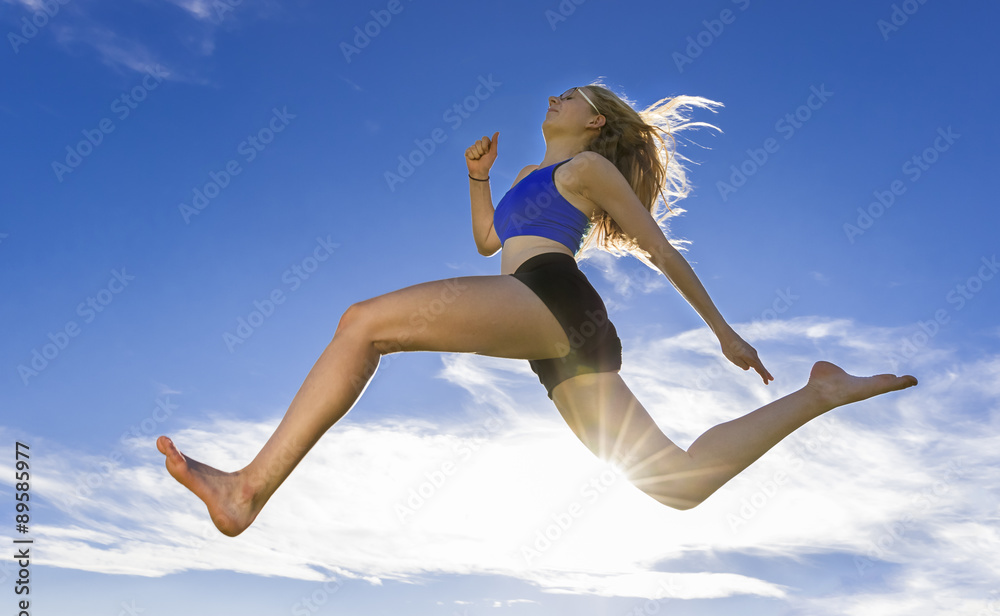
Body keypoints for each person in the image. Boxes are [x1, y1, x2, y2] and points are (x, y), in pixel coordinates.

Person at [156, 82, 917, 537]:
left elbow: (660, 249)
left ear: (594, 123)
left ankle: (246, 489)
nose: (557, 95)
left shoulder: (588, 168)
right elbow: (490, 242)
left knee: (364, 323)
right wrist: (479, 179)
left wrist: (725, 333)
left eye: (574, 95)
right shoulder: (529, 171)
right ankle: (819, 393)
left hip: (556, 301)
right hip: (549, 329)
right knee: (675, 483)